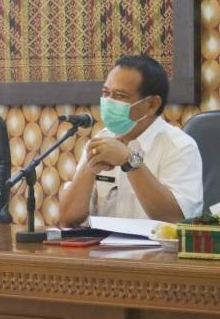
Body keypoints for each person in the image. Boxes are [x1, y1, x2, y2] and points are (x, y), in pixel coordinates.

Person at [59, 55, 203, 226]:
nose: (109, 102)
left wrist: (130, 161)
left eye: (120, 96)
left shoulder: (179, 147)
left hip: (155, 244)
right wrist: (88, 171)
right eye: (106, 93)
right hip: (103, 243)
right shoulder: (101, 141)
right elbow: (67, 219)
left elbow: (177, 219)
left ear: (152, 104)